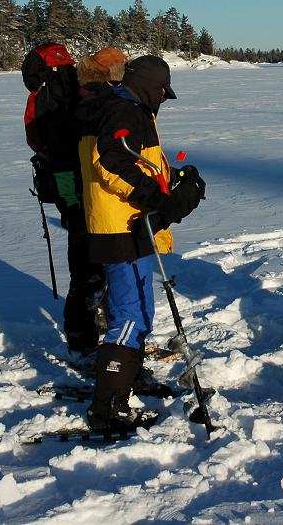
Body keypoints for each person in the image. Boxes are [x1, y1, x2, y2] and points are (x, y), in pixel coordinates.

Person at [76, 53, 205, 430]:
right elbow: (111, 163)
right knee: (130, 316)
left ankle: (127, 380)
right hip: (122, 227)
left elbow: (136, 161)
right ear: (148, 86)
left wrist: (173, 177)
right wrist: (158, 200)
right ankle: (108, 407)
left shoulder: (122, 106)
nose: (164, 98)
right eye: (162, 91)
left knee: (137, 312)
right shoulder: (124, 110)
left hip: (125, 223)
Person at [22, 41, 109, 354]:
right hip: (90, 182)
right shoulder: (79, 85)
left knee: (82, 257)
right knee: (101, 254)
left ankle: (82, 335)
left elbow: (35, 141)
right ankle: (98, 326)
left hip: (65, 181)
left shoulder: (39, 96)